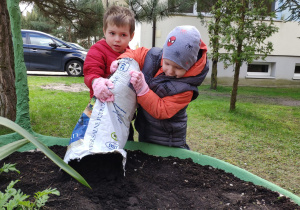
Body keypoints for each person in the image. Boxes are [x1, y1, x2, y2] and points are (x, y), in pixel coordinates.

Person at [116, 25, 209, 149]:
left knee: (168, 164)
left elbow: (162, 110)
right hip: (146, 130)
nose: (170, 71)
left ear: (189, 66)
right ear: (164, 54)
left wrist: (143, 90)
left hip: (169, 140)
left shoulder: (186, 89)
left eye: (178, 68)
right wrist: (121, 62)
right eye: (167, 63)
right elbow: (135, 54)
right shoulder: (154, 56)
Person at [83, 5, 135, 140]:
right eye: (112, 33)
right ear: (104, 31)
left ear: (131, 36)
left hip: (123, 114)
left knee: (126, 142)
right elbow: (90, 72)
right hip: (101, 110)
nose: (117, 39)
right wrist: (96, 82)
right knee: (99, 143)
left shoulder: (131, 55)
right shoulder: (97, 50)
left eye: (123, 35)